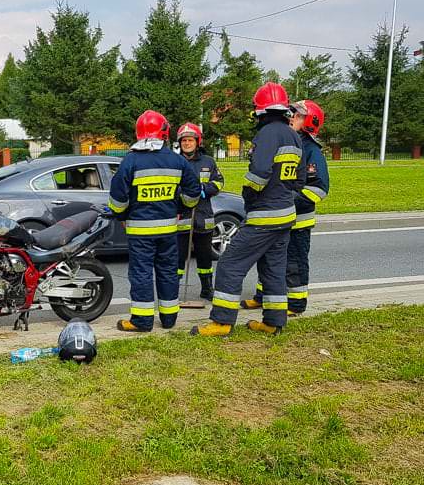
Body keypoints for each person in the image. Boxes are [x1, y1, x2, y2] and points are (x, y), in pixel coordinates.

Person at [192, 82, 305, 337]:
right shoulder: (294, 137)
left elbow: (259, 173)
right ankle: (274, 321)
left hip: (264, 215)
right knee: (273, 268)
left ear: (261, 111)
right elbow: (299, 181)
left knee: (230, 264)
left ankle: (221, 322)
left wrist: (249, 194)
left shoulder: (267, 134)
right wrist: (283, 195)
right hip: (286, 215)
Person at [108, 110, 201, 332]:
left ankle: (142, 320)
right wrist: (179, 208)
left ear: (139, 133)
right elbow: (193, 193)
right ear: (165, 133)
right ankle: (169, 319)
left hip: (140, 232)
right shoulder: (177, 160)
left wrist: (123, 216)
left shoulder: (130, 161)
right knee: (168, 271)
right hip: (169, 228)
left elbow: (117, 200)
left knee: (141, 273)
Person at [241, 100, 329, 315]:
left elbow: (319, 188)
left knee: (294, 262)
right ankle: (263, 297)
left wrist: (289, 201)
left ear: (309, 122)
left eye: (298, 116)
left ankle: (296, 303)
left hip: (298, 220)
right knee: (268, 258)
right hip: (277, 216)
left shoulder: (311, 150)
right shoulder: (287, 142)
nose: (291, 118)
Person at [175, 123, 224, 300]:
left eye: (190, 140)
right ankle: (173, 289)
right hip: (182, 216)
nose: (187, 143)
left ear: (197, 142)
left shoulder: (208, 162)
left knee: (205, 257)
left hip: (203, 216)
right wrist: (183, 192)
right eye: (184, 140)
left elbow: (219, 183)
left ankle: (207, 288)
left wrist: (204, 189)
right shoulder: (175, 161)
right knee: (178, 257)